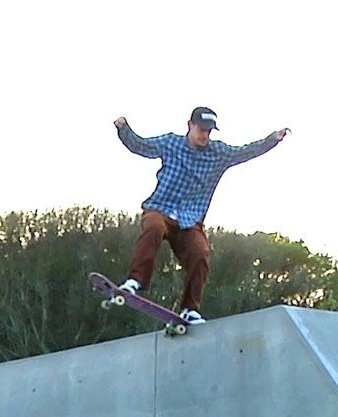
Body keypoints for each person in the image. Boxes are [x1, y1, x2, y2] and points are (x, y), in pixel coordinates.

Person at [113, 107, 291, 325]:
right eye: (201, 130)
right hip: (160, 208)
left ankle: (189, 309)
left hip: (189, 221)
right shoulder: (171, 143)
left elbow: (247, 152)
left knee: (200, 253)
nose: (205, 135)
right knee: (154, 228)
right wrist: (124, 130)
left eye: (209, 131)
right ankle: (135, 281)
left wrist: (273, 139)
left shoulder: (219, 153)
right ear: (190, 125)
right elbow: (141, 146)